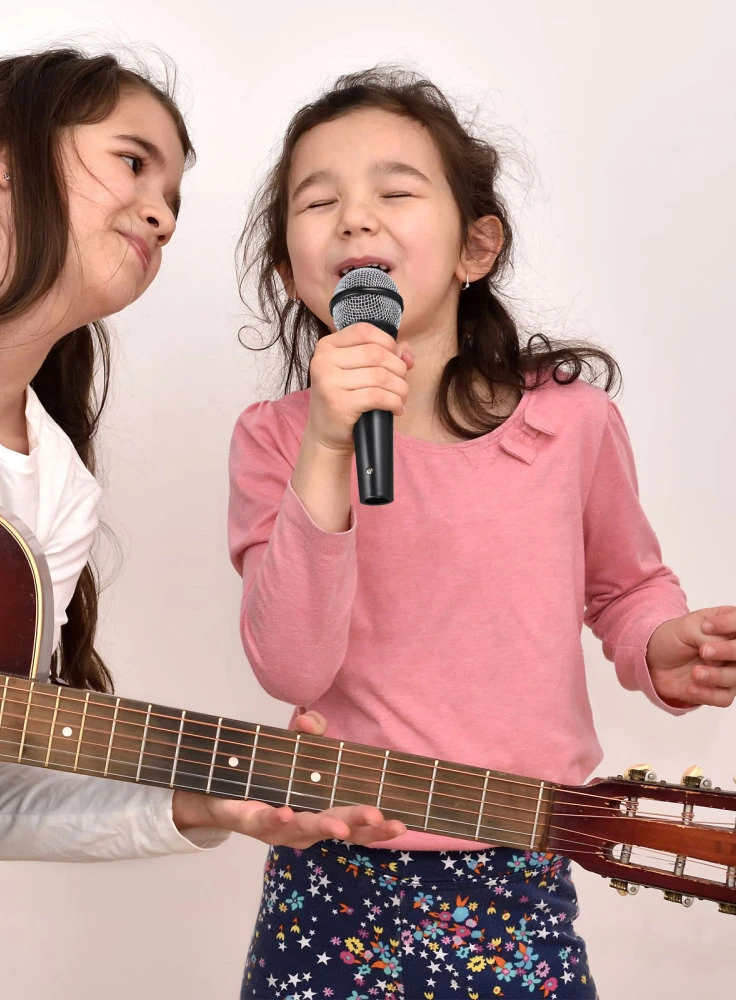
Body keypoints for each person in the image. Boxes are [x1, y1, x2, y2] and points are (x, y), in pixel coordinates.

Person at [0, 49, 405, 1000]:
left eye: (173, 197)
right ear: (2, 158)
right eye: (133, 162)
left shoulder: (54, 494)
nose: (161, 211)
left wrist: (202, 801)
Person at [229, 67, 736, 999]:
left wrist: (659, 643)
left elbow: (626, 587)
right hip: (329, 882)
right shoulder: (276, 440)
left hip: (520, 873)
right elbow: (292, 666)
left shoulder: (571, 424)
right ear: (292, 273)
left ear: (476, 246)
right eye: (319, 201)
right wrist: (329, 447)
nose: (355, 218)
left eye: (394, 191)